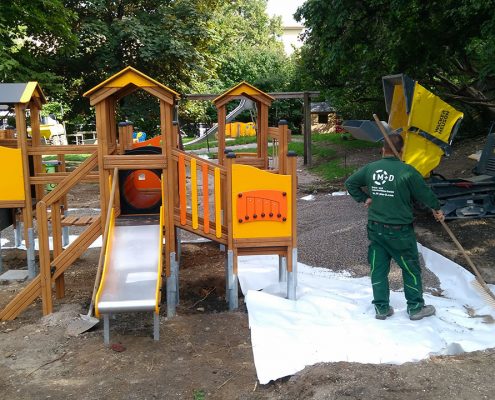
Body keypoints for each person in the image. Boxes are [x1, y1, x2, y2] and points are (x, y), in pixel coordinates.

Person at [345, 133, 444, 321]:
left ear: (383, 149)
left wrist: (364, 198)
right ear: (401, 151)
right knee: (410, 268)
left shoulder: (371, 169)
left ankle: (381, 308)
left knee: (378, 268)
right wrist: (437, 209)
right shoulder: (407, 171)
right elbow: (425, 194)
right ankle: (415, 308)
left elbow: (350, 183)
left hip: (376, 230)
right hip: (401, 233)